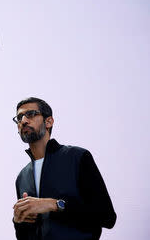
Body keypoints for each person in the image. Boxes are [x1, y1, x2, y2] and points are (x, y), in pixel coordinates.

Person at [12, 97, 116, 240]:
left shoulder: (77, 157)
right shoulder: (22, 177)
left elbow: (107, 217)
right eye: (19, 117)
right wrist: (17, 221)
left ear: (48, 122)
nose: (23, 120)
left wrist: (54, 204)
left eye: (30, 114)